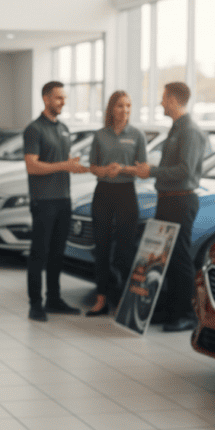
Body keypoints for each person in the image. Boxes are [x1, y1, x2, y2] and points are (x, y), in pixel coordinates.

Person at [131, 81, 206, 332]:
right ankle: (170, 309)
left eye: (163, 98)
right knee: (166, 258)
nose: (161, 102)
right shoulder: (176, 129)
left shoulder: (189, 131)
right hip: (168, 199)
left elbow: (184, 171)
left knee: (180, 257)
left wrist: (151, 171)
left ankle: (186, 314)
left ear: (173, 100)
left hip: (181, 200)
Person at [24, 81, 88, 322]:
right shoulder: (34, 129)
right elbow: (32, 165)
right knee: (39, 253)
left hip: (63, 199)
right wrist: (64, 165)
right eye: (58, 98)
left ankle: (53, 299)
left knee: (57, 254)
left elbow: (62, 161)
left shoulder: (64, 128)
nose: (63, 102)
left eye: (64, 98)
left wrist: (76, 167)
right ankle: (35, 304)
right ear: (46, 99)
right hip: (44, 201)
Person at [86, 90, 148, 316]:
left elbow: (143, 170)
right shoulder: (100, 135)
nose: (125, 111)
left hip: (126, 192)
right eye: (121, 106)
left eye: (129, 106)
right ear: (112, 109)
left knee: (126, 248)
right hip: (103, 191)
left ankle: (124, 299)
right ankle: (101, 298)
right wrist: (103, 170)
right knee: (101, 248)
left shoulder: (137, 135)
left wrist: (122, 169)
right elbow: (92, 166)